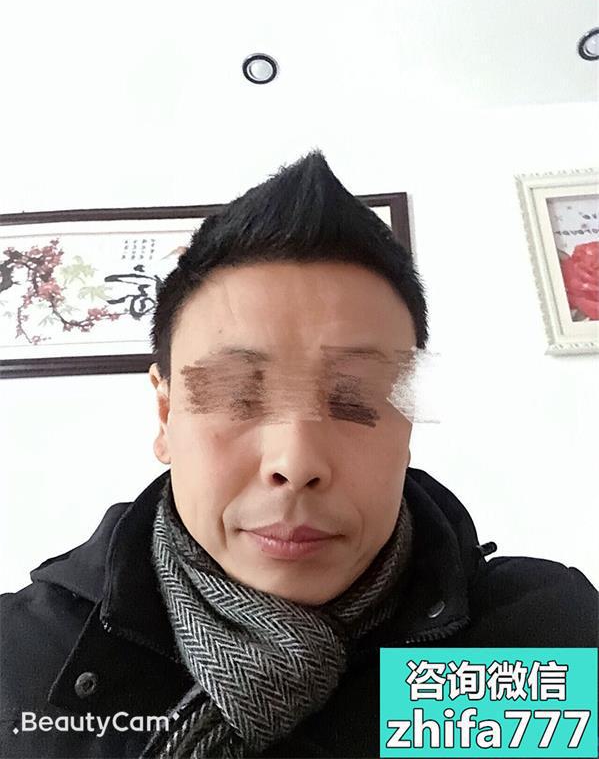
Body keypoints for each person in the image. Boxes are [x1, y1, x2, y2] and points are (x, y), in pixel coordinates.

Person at [1, 152, 597, 759]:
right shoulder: (17, 658)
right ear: (165, 414)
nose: (296, 462)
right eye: (236, 395)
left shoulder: (545, 639)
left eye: (356, 398)